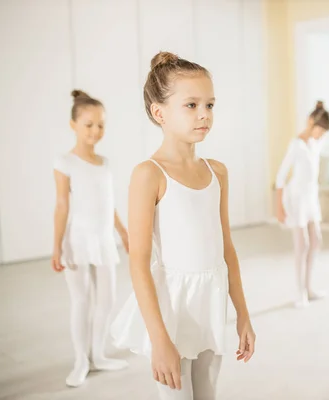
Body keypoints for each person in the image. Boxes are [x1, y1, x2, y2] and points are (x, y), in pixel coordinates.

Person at [111, 52, 255, 400]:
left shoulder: (217, 171)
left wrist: (243, 314)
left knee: (207, 393)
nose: (204, 114)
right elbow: (138, 261)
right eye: (191, 105)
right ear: (159, 112)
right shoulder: (148, 174)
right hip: (171, 311)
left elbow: (227, 249)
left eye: (210, 104)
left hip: (210, 302)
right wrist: (159, 339)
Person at [52, 90, 129, 387]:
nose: (95, 131)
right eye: (89, 124)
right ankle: (80, 360)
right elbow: (61, 205)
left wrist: (122, 232)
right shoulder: (64, 161)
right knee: (81, 301)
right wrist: (56, 246)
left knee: (107, 300)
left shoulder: (105, 162)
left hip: (104, 239)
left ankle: (98, 354)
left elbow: (108, 204)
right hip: (78, 240)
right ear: (73, 125)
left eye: (100, 125)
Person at [275, 101, 329, 308]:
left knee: (316, 241)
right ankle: (300, 294)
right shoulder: (296, 145)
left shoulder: (315, 144)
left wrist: (321, 110)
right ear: (310, 123)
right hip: (296, 199)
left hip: (310, 199)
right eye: (320, 130)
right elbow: (280, 177)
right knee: (302, 245)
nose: (322, 134)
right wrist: (279, 207)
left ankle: (309, 288)